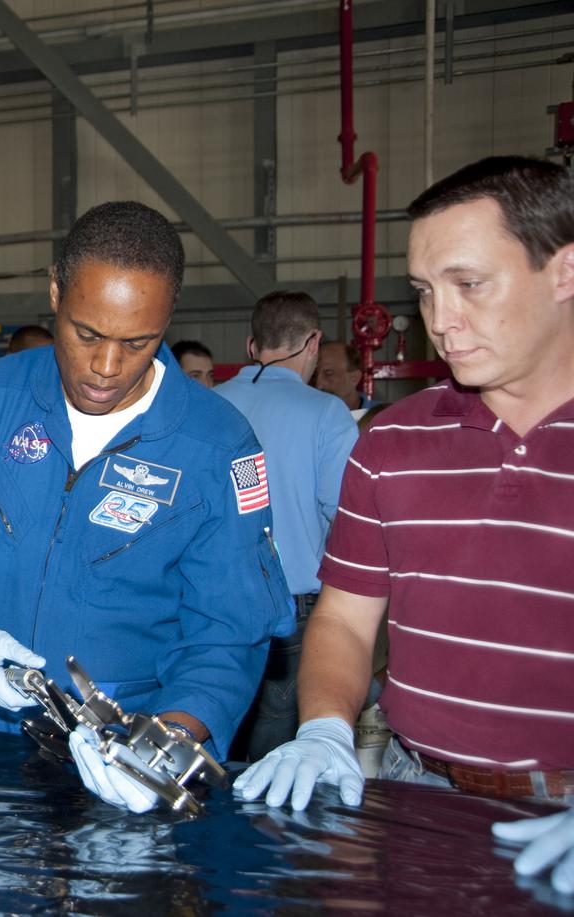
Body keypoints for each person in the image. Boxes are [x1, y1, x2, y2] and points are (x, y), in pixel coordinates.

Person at [0, 200, 294, 813]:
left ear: (168, 316)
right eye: (87, 333)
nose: (106, 367)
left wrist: (167, 745)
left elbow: (228, 633)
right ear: (55, 292)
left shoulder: (216, 446)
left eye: (137, 342)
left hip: (129, 756)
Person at [233, 157, 574, 896]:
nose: (440, 321)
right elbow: (348, 621)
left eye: (469, 284)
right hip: (418, 792)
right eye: (424, 292)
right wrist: (324, 724)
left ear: (565, 270)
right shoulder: (392, 443)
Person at [214, 292, 358, 760]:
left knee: (214, 733)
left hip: (208, 603)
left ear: (252, 345)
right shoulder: (327, 414)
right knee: (274, 756)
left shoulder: (207, 406)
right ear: (313, 341)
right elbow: (348, 519)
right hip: (292, 610)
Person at [314, 340, 385, 428]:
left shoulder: (382, 417)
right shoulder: (308, 416)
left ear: (354, 378)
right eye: (314, 375)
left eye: (329, 374)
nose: (318, 384)